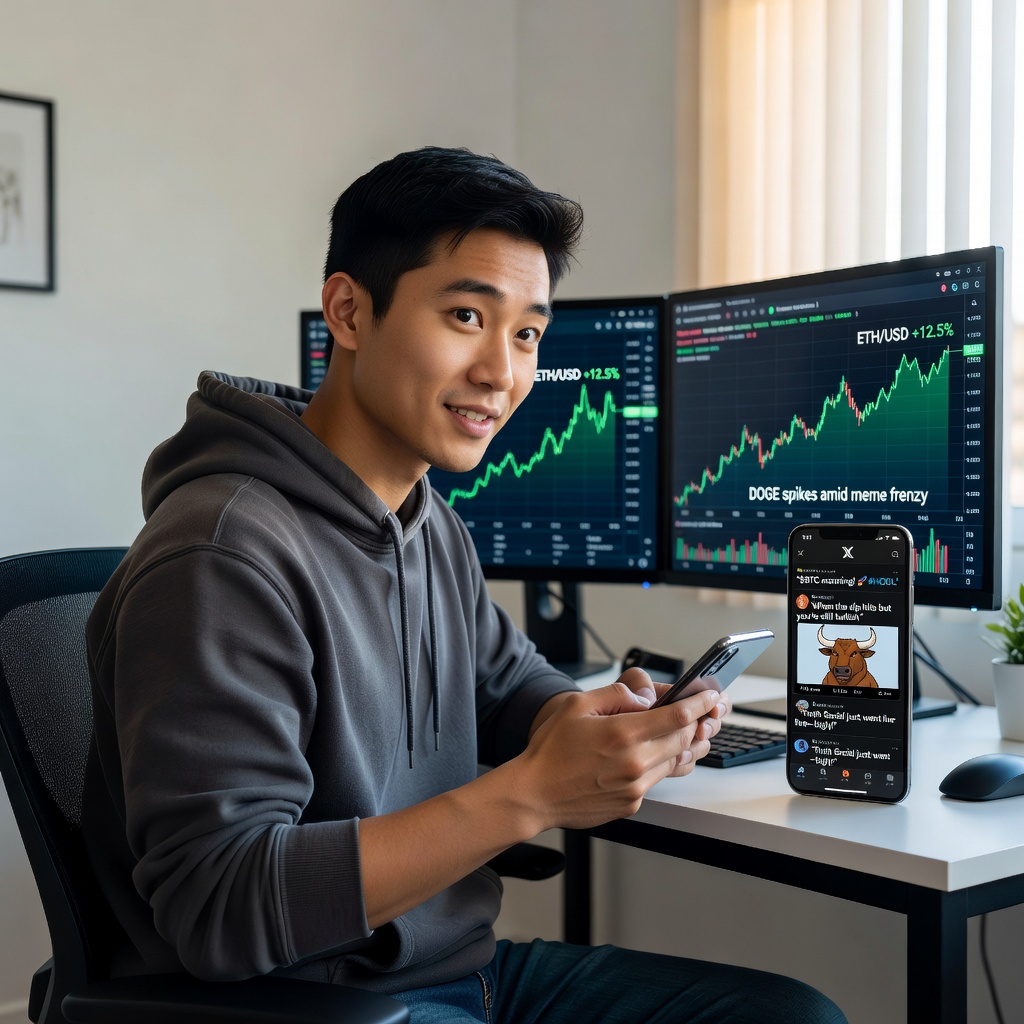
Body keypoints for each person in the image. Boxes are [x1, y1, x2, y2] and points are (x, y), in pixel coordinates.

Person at [83, 146, 847, 1023]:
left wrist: (576, 719)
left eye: (526, 334)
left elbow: (506, 681)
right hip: (311, 1001)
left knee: (796, 1017)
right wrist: (528, 794)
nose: (502, 372)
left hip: (457, 972)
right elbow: (219, 908)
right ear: (349, 311)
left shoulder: (425, 520)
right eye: (464, 317)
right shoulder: (222, 555)